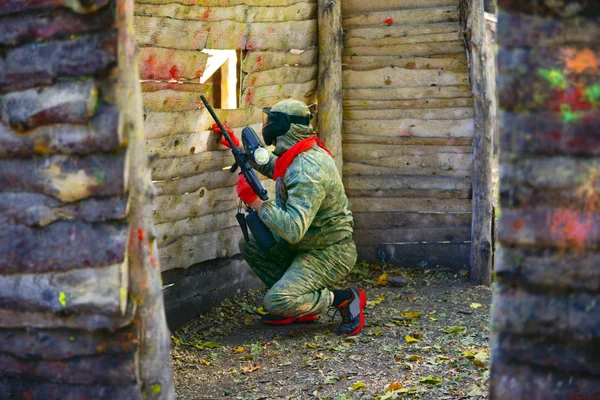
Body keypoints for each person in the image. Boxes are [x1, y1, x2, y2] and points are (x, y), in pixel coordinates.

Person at [212, 99, 366, 336]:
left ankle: (344, 298)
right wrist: (239, 150)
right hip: (306, 246)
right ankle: (301, 307)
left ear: (284, 126)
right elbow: (275, 167)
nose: (267, 126)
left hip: (329, 251)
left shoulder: (308, 169)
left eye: (271, 122)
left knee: (275, 301)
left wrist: (255, 201)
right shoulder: (299, 153)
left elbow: (293, 229)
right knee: (251, 244)